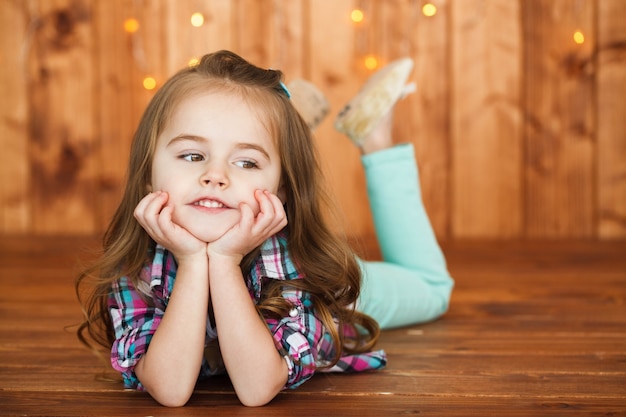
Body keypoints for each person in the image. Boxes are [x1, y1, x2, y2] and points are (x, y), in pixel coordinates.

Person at [76, 50, 453, 408]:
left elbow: (257, 388)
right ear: (148, 174)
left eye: (246, 162)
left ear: (281, 192)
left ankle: (374, 137)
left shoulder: (302, 267)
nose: (214, 176)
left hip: (336, 288)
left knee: (432, 287)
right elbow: (170, 390)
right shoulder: (136, 268)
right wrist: (192, 261)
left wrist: (222, 261)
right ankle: (279, 137)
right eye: (192, 156)